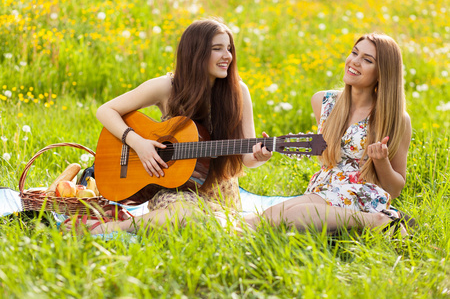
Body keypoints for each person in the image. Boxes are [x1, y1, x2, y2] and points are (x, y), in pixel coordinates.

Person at [64, 18, 272, 234]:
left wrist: (258, 157)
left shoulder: (239, 91)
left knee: (214, 228)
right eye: (217, 49)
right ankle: (111, 228)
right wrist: (138, 143)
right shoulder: (167, 86)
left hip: (218, 190)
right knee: (186, 215)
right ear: (196, 53)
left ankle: (130, 223)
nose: (227, 56)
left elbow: (247, 157)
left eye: (229, 48)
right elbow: (106, 110)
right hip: (172, 188)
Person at [244, 33, 412, 236]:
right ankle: (376, 224)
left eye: (367, 60)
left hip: (361, 195)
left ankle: (376, 219)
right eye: (354, 53)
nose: (354, 62)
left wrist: (381, 161)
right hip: (322, 190)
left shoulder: (396, 119)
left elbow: (394, 189)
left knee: (286, 216)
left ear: (382, 73)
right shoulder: (324, 102)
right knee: (261, 219)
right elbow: (329, 160)